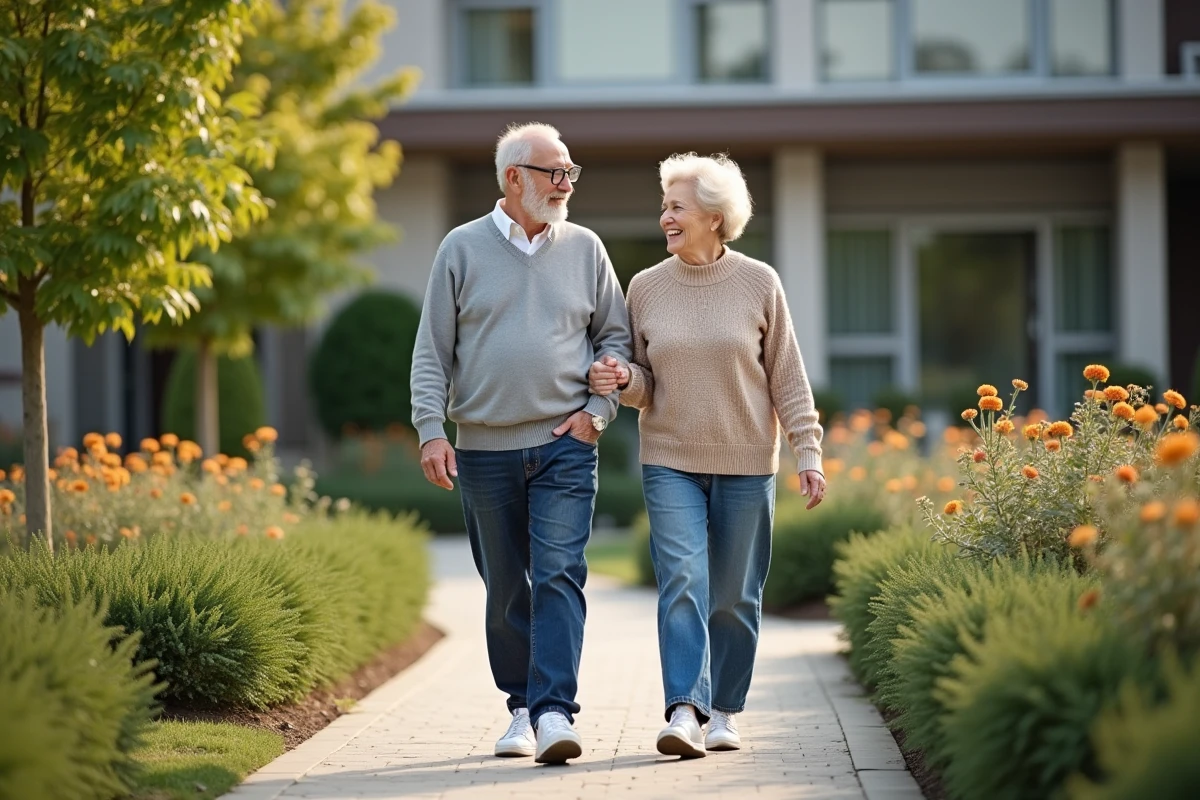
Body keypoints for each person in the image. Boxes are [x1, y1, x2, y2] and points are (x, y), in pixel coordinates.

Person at [589, 153, 825, 759]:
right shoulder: (644, 287)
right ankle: (684, 710)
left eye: (676, 207)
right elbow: (647, 382)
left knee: (736, 594)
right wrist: (623, 379)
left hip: (747, 459)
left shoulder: (759, 282)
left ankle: (724, 708)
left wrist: (809, 450)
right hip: (669, 456)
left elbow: (787, 378)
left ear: (715, 218)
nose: (665, 217)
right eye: (664, 206)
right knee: (683, 580)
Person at [410, 122, 631, 764]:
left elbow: (615, 341)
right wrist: (431, 431)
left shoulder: (586, 249)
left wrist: (598, 410)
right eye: (553, 173)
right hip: (483, 450)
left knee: (560, 573)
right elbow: (432, 352)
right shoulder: (460, 248)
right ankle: (519, 709)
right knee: (506, 584)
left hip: (566, 442)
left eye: (569, 173)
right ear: (514, 178)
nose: (566, 184)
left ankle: (555, 713)